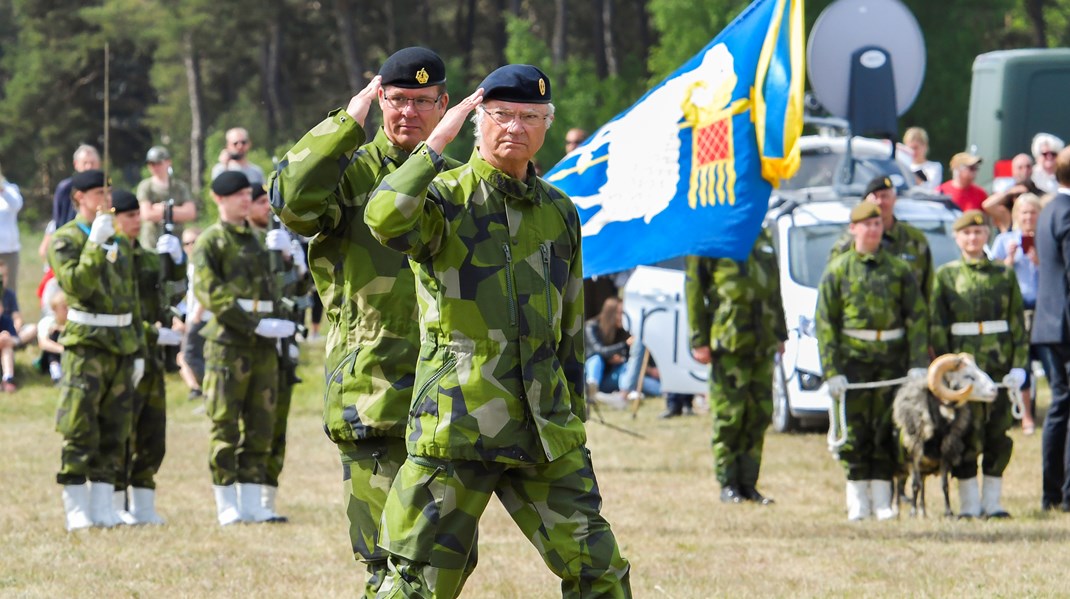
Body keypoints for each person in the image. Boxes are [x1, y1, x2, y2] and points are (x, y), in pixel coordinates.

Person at [365, 63, 631, 598]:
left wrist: (572, 418)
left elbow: (570, 326)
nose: (515, 127)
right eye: (502, 114)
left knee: (599, 571)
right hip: (458, 422)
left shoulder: (559, 211)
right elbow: (384, 217)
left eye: (530, 116)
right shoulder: (443, 198)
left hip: (543, 426)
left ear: (547, 126)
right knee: (418, 584)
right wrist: (432, 149)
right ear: (477, 120)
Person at [271, 47, 475, 596]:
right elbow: (290, 201)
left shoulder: (458, 181)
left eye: (422, 102)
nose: (408, 112)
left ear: (444, 105)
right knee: (391, 563)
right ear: (380, 98)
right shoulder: (350, 172)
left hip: (449, 399)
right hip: (376, 394)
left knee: (445, 563)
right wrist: (349, 118)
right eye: (397, 99)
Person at [47, 169, 146, 530]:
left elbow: (130, 297)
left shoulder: (116, 240)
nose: (106, 198)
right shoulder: (65, 239)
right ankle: (76, 507)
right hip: (87, 346)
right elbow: (77, 286)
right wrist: (93, 246)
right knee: (79, 427)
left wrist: (136, 350)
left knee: (114, 429)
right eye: (98, 192)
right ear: (79, 198)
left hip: (120, 345)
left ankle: (104, 506)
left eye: (107, 191)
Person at [817, 202, 928, 521]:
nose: (873, 229)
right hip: (854, 363)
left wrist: (917, 362)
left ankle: (882, 499)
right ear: (853, 229)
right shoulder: (839, 269)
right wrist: (832, 370)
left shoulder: (898, 269)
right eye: (866, 224)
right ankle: (857, 500)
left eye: (878, 224)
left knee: (886, 430)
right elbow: (825, 323)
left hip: (890, 362)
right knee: (854, 430)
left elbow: (917, 317)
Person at [193, 171, 292, 525]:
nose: (245, 200)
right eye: (237, 195)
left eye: (247, 195)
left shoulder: (260, 239)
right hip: (228, 344)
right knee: (225, 424)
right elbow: (211, 293)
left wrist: (288, 260)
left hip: (263, 345)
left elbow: (279, 289)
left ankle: (252, 503)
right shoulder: (211, 242)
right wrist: (254, 324)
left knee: (260, 423)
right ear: (218, 199)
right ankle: (227, 503)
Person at [930, 210, 1028, 518]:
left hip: (998, 367)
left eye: (978, 233)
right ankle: (970, 505)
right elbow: (937, 325)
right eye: (966, 234)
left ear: (987, 235)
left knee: (998, 433)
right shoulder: (946, 276)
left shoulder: (1004, 275)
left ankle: (993, 503)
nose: (973, 238)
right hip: (964, 370)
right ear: (957, 238)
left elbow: (1017, 324)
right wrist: (947, 370)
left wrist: (1019, 365)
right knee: (966, 433)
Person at [686, 227, 787, 505]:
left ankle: (749, 484)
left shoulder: (761, 233)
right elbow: (694, 288)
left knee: (759, 415)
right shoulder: (713, 231)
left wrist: (780, 332)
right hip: (729, 343)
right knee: (730, 417)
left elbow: (773, 287)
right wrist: (699, 339)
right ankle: (728, 483)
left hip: (762, 341)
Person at [110, 189, 185, 524]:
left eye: (138, 215)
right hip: (121, 357)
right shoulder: (110, 259)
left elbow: (173, 297)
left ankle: (142, 503)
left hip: (151, 360)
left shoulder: (148, 258)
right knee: (121, 432)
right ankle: (114, 502)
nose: (136, 221)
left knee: (153, 433)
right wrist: (154, 332)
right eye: (128, 216)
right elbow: (116, 309)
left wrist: (178, 265)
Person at [247, 182, 310, 520]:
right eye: (260, 203)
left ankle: (267, 501)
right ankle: (246, 499)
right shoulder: (245, 243)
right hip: (253, 348)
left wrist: (296, 265)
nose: (267, 211)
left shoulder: (286, 241)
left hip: (284, 349)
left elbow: (300, 299)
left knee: (276, 427)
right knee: (253, 425)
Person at [1032, 146, 1070, 512]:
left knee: (1060, 406)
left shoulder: (1050, 209)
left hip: (1049, 323)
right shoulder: (1069, 212)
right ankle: (1062, 494)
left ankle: (1052, 493)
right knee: (1063, 406)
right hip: (1065, 326)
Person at [829, 175, 934, 296]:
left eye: (884, 196)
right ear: (864, 202)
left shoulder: (915, 240)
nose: (879, 202)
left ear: (895, 199)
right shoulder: (847, 244)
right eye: (874, 197)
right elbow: (832, 290)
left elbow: (928, 289)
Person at [991, 193, 1042, 434]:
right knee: (1021, 362)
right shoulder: (1004, 240)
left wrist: (1040, 260)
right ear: (1016, 215)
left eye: (1033, 212)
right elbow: (993, 277)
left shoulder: (1046, 240)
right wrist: (1009, 259)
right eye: (1024, 212)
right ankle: (1025, 415)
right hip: (1015, 310)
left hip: (1043, 310)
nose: (1028, 217)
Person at [137, 145, 196, 247]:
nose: (155, 167)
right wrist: (176, 212)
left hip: (176, 243)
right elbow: (146, 214)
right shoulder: (146, 186)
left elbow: (190, 213)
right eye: (151, 164)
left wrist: (162, 209)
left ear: (168, 162)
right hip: (152, 244)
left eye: (158, 163)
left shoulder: (179, 187)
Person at [179, 227, 208, 402]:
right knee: (188, 357)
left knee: (190, 356)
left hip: (202, 318)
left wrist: (197, 314)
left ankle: (209, 389)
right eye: (186, 243)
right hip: (193, 317)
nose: (190, 246)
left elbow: (207, 287)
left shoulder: (202, 262)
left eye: (194, 241)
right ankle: (206, 391)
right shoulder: (191, 264)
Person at [584, 296, 632, 398]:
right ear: (611, 314)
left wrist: (620, 359)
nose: (622, 317)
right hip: (591, 372)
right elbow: (598, 350)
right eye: (620, 313)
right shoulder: (591, 326)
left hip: (610, 377)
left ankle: (624, 395)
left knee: (626, 366)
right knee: (596, 359)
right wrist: (624, 345)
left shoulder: (622, 330)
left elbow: (628, 356)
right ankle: (591, 389)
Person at [0, 262, 37, 392]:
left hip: (9, 332)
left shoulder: (9, 294)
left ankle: (8, 379)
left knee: (32, 328)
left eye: (3, 276)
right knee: (6, 342)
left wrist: (13, 330)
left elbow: (18, 317)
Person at [982, 153, 1043, 232]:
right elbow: (987, 205)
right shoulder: (1007, 200)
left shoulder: (1041, 194)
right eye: (1020, 167)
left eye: (1028, 167)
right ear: (1013, 170)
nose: (1025, 171)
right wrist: (1009, 192)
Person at [0, 163, 23, 297]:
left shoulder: (10, 189)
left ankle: (9, 317)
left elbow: (16, 204)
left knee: (8, 290)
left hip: (9, 251)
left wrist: (2, 190)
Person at [36, 291, 68, 383]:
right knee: (54, 334)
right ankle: (56, 372)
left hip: (66, 356)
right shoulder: (47, 322)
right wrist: (64, 350)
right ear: (55, 309)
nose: (67, 310)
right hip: (49, 359)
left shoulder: (71, 323)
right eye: (64, 308)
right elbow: (43, 343)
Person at [902, 127, 941, 191]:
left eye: (916, 148)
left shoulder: (935, 167)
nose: (913, 152)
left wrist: (915, 178)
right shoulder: (903, 167)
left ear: (925, 146)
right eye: (910, 148)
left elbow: (932, 189)